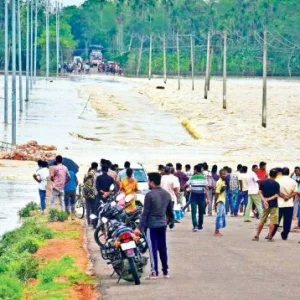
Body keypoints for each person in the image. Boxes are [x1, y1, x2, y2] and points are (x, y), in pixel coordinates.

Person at [135, 172, 174, 279]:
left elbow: (145, 213)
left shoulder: (150, 195)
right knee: (163, 248)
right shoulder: (166, 194)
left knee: (152, 248)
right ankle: (165, 272)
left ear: (152, 182)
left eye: (148, 181)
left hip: (152, 226)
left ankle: (154, 272)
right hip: (162, 225)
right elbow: (170, 212)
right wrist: (170, 222)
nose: (148, 182)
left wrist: (139, 228)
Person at [252, 169, 280, 242]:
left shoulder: (263, 182)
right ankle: (270, 237)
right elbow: (276, 195)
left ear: (269, 174)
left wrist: (264, 200)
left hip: (265, 205)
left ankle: (257, 235)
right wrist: (268, 199)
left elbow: (259, 192)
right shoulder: (276, 184)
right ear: (276, 175)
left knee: (262, 220)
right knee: (272, 221)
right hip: (274, 204)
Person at [271, 167, 298, 240]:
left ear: (281, 173)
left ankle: (272, 234)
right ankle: (285, 234)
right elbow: (295, 192)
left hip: (279, 203)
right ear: (289, 173)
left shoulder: (278, 181)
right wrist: (288, 196)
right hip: (289, 204)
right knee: (287, 221)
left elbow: (275, 191)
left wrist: (283, 196)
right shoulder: (293, 181)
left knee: (277, 220)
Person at [184, 164, 210, 231]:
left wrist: (185, 191)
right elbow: (206, 189)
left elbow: (185, 185)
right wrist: (208, 199)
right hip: (201, 197)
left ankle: (195, 226)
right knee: (201, 212)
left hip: (193, 197)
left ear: (195, 170)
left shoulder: (192, 178)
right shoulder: (204, 178)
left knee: (194, 212)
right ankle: (200, 226)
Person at [214, 169, 227, 236]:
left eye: (225, 174)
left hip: (223, 200)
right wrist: (215, 204)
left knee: (222, 215)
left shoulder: (223, 182)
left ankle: (217, 229)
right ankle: (216, 230)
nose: (224, 175)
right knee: (219, 215)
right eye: (223, 174)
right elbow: (216, 193)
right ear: (220, 174)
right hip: (220, 200)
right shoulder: (219, 182)